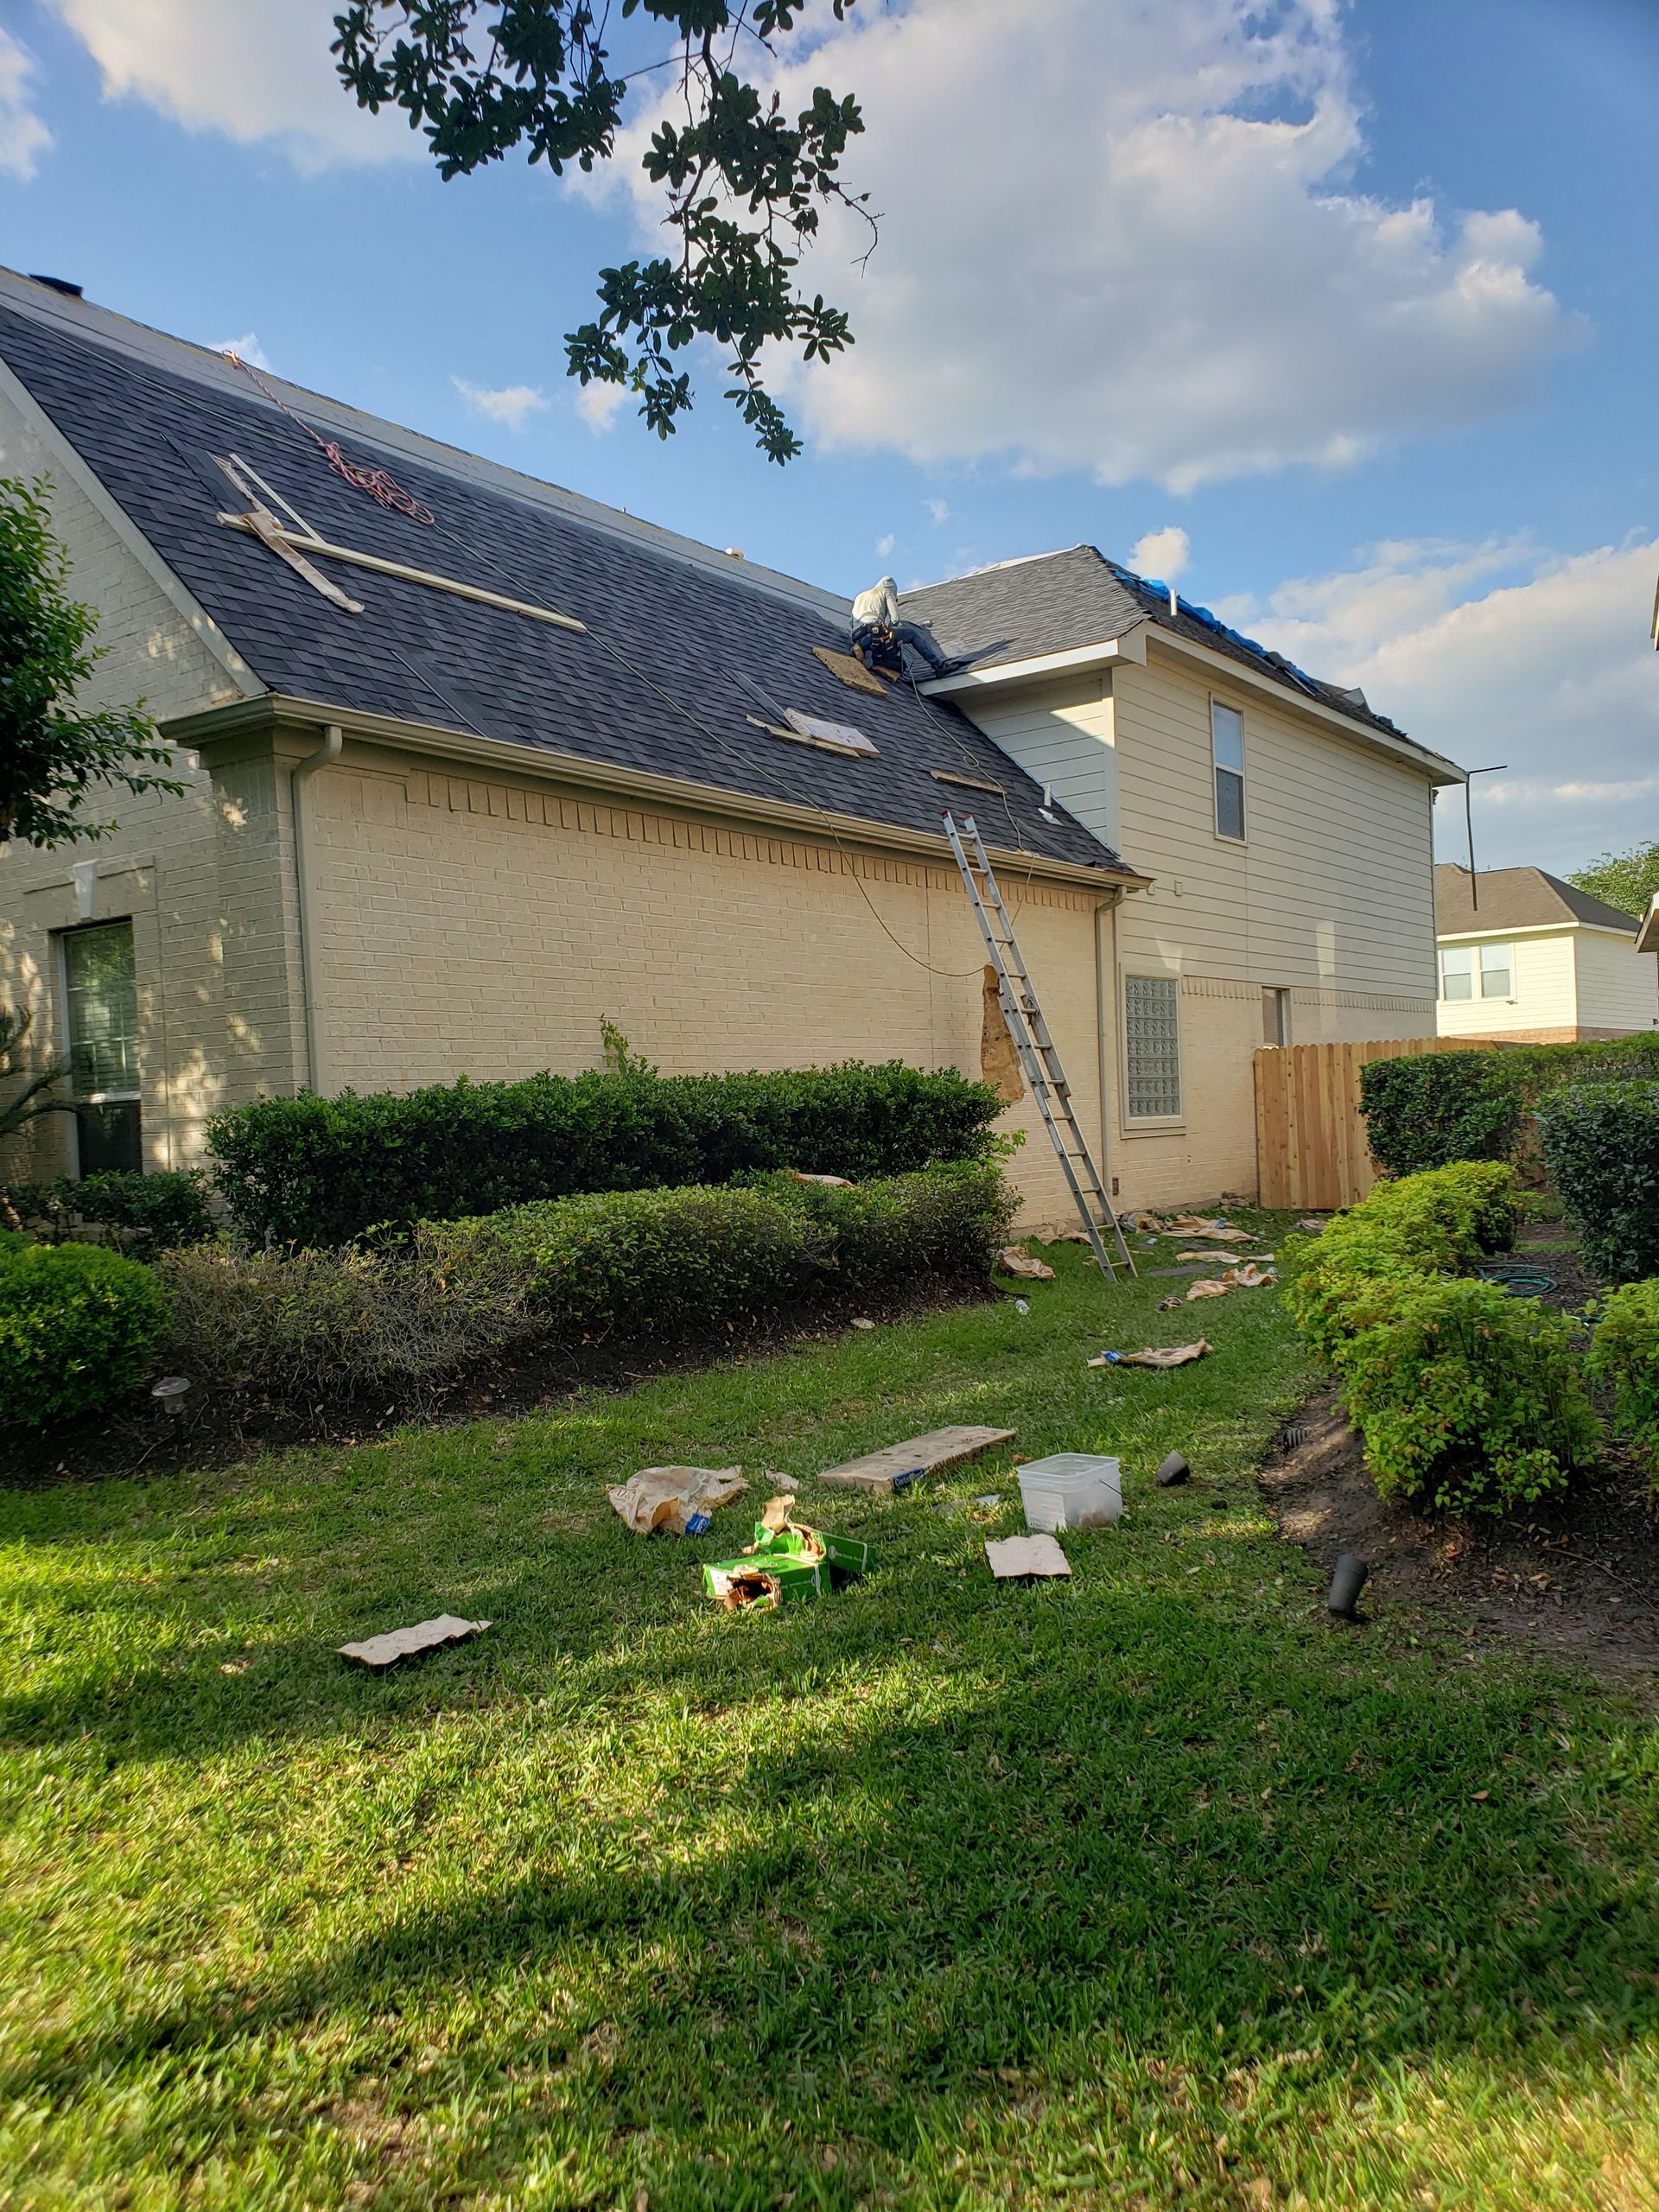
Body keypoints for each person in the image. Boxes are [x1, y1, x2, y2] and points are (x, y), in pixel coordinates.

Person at [849, 575, 961, 678]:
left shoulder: (860, 596)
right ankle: (939, 666)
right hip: (875, 631)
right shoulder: (886, 590)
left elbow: (851, 622)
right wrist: (891, 635)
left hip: (857, 635)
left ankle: (867, 650)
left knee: (899, 664)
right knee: (911, 634)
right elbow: (895, 618)